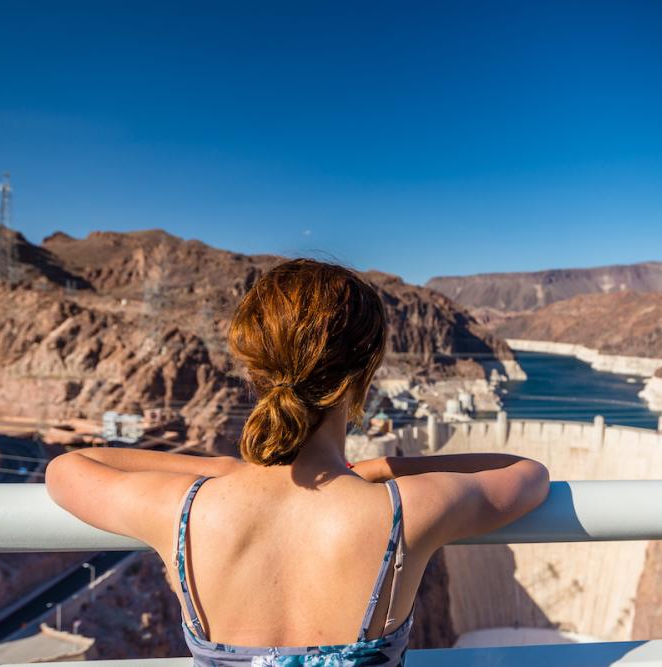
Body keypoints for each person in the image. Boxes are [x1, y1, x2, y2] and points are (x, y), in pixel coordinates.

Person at [46, 259, 550, 666]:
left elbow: (68, 468)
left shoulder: (183, 511)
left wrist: (226, 472)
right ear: (361, 379)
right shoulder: (406, 511)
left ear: (254, 369)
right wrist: (385, 468)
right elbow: (526, 474)